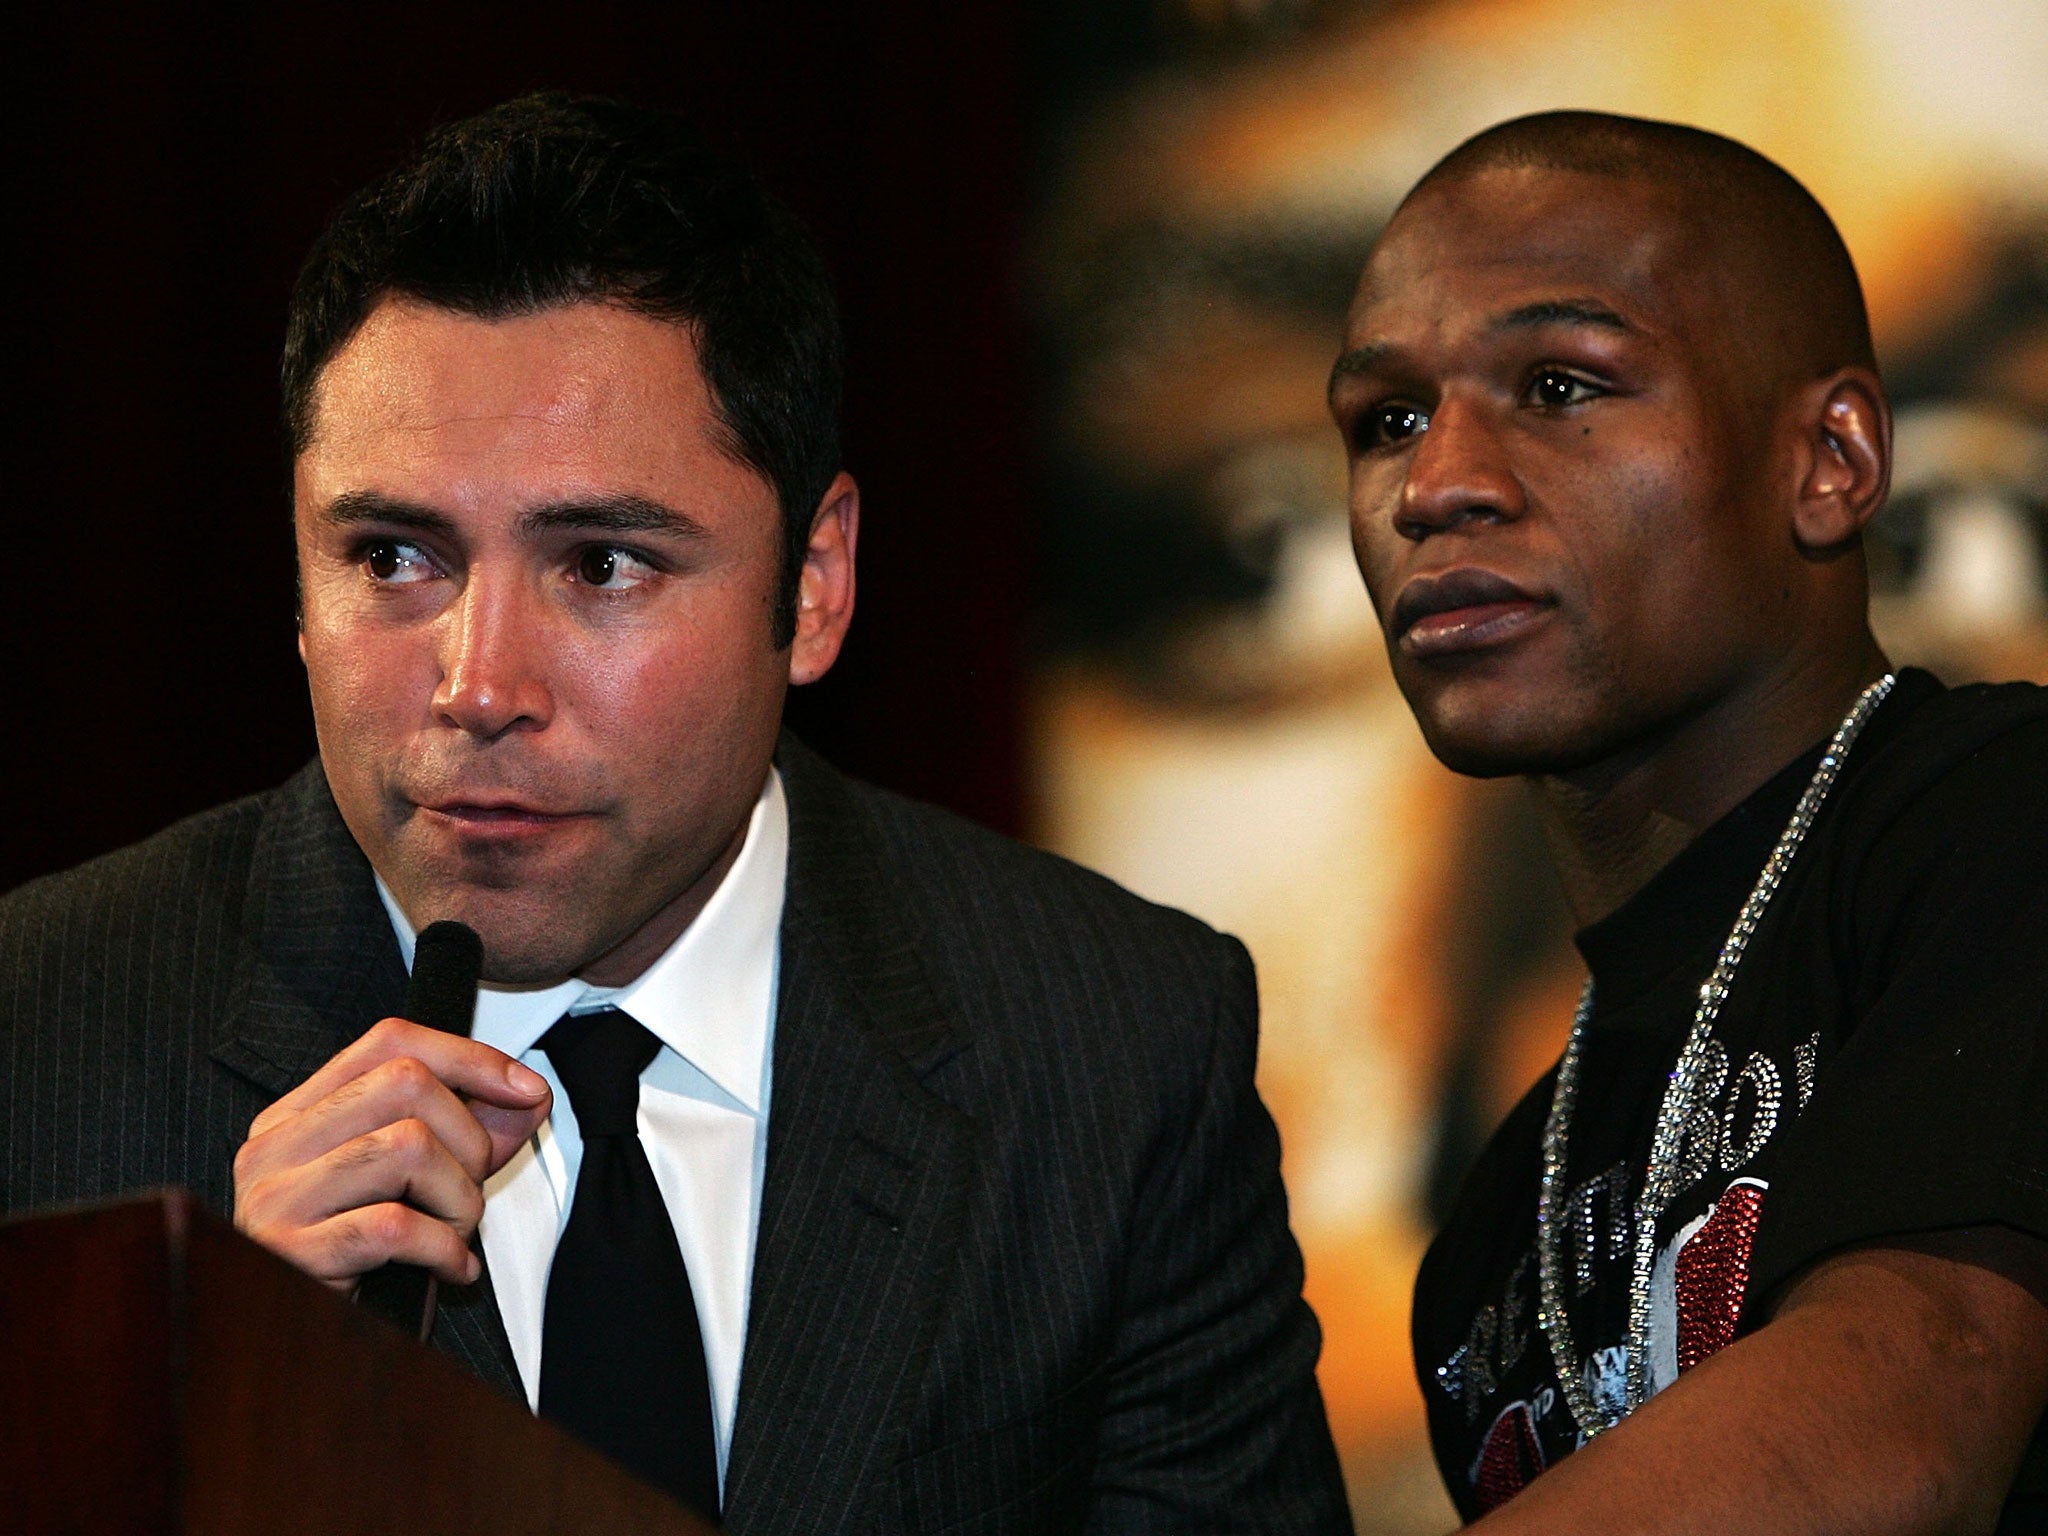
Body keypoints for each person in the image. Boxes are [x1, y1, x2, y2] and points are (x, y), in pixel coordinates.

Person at [0, 93, 1350, 1535]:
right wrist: (201, 1405)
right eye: (393, 555)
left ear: (815, 584)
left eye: (600, 566)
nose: (479, 685)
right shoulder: (40, 1039)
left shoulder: (1110, 1047)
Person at [1330, 109, 2048, 1532]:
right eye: (1386, 420)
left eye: (1559, 383)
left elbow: (1908, 1413)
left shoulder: (2002, 818)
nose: (1437, 483)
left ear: (1832, 461)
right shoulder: (1496, 1222)